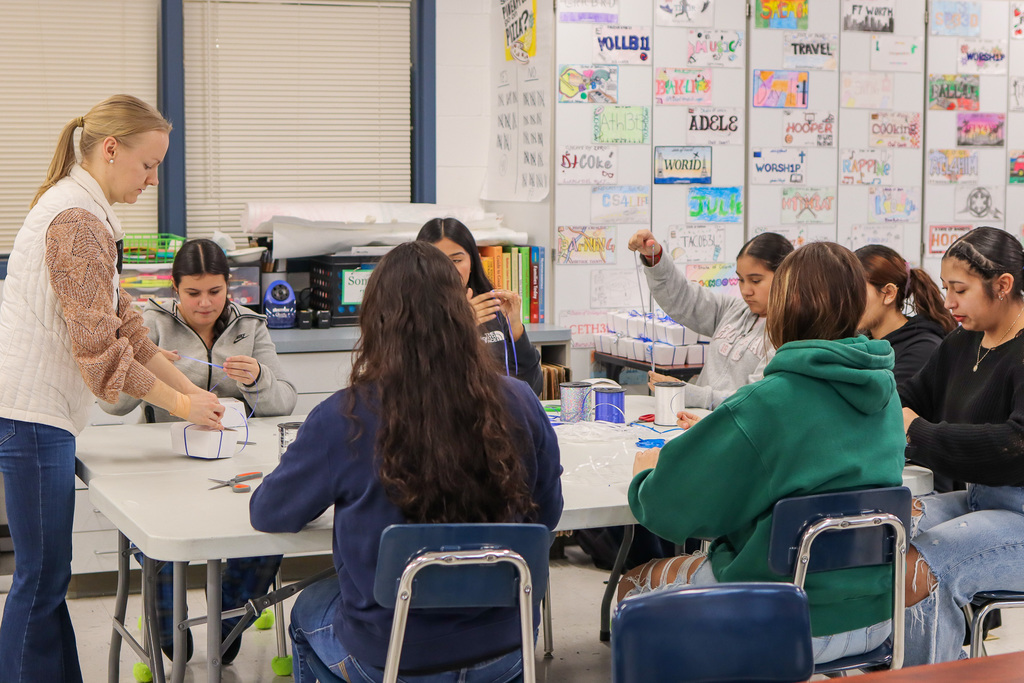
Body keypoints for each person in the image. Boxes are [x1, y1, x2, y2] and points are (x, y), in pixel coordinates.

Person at [249, 241, 562, 683]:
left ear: (375, 323)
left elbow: (269, 513)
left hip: (393, 654)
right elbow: (545, 516)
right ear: (462, 315)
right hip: (507, 648)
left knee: (305, 612)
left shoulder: (344, 417)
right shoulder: (520, 400)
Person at [0, 95, 223, 683]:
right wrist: (181, 405)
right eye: (148, 165)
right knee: (41, 580)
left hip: (41, 413)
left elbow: (130, 331)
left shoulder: (90, 215)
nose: (153, 179)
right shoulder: (74, 221)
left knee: (50, 577)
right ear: (109, 149)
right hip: (29, 414)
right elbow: (104, 362)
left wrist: (194, 398)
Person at [619, 242, 905, 666]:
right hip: (876, 618)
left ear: (784, 309)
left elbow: (667, 511)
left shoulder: (769, 403)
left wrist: (646, 475)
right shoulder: (886, 394)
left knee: (632, 585)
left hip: (779, 616)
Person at [100, 237, 297, 662]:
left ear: (230, 286)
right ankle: (172, 624)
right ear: (175, 288)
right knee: (175, 642)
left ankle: (229, 611)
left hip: (236, 471)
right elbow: (110, 406)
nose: (205, 304)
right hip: (163, 474)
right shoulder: (148, 323)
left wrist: (258, 377)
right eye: (193, 293)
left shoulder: (251, 326)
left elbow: (284, 401)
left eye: (215, 291)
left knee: (270, 536)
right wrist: (140, 365)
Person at [900, 227, 1024, 666]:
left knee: (921, 568)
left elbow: (1015, 445)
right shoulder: (963, 342)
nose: (949, 302)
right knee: (881, 529)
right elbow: (908, 398)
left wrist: (919, 433)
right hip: (979, 500)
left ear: (1003, 285)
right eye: (946, 288)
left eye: (960, 290)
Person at [628, 229, 794, 409]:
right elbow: (682, 297)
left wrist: (688, 394)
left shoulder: (789, 334)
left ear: (785, 277)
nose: (746, 290)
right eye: (741, 280)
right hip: (698, 423)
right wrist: (655, 258)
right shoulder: (733, 310)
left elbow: (753, 399)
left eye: (755, 281)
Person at [416, 218, 543, 396]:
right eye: (438, 262)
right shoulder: (410, 314)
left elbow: (531, 388)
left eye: (457, 260)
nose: (449, 270)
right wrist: (461, 328)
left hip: (498, 418)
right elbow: (425, 390)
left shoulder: (490, 307)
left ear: (472, 261)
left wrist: (516, 329)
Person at [855, 244, 955, 385]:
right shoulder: (860, 343)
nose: (847, 302)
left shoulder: (922, 349)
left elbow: (881, 404)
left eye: (856, 292)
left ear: (889, 293)